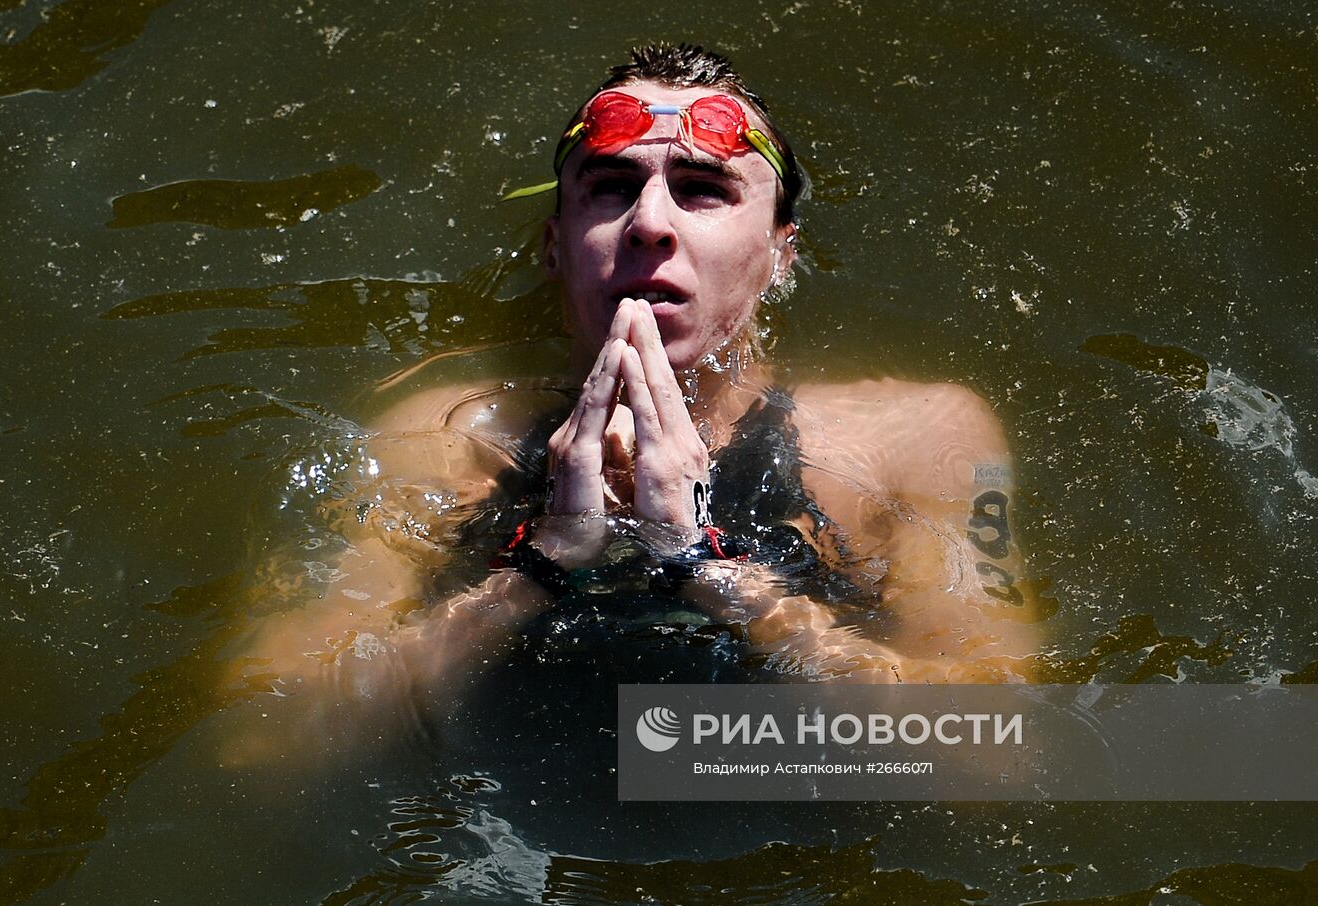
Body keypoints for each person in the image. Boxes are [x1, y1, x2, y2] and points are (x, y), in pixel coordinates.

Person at [224, 45, 1043, 761]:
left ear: (780, 253)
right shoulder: (444, 440)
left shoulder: (919, 434)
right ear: (554, 246)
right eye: (612, 187)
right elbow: (263, 734)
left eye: (702, 189)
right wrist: (535, 570)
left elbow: (1000, 747)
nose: (649, 221)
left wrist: (711, 574)